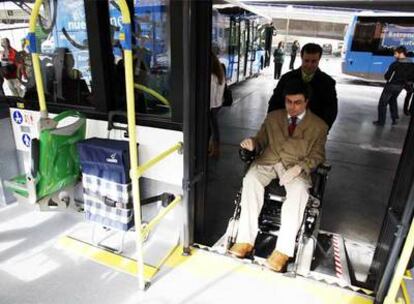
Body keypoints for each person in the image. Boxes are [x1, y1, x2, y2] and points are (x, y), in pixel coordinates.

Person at [228, 79, 328, 272]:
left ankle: (283, 250)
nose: (292, 107)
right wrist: (252, 143)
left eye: (297, 102)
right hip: (269, 161)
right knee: (250, 180)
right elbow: (261, 139)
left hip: (295, 165)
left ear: (306, 101)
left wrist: (300, 168)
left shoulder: (319, 126)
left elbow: (318, 155)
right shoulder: (273, 117)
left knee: (299, 191)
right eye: (288, 102)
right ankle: (245, 240)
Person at [268, 43, 338, 129]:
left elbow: (331, 111)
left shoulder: (328, 83)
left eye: (314, 61)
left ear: (319, 59)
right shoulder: (286, 78)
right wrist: (273, 125)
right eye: (306, 61)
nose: (309, 65)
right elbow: (274, 103)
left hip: (312, 133)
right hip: (284, 129)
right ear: (301, 57)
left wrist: (322, 131)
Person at [373, 46, 414, 126]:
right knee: (392, 100)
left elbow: (387, 76)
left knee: (382, 103)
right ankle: (394, 118)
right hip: (401, 86)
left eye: (396, 54)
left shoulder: (395, 64)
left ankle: (381, 122)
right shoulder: (412, 64)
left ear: (401, 53)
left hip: (391, 85)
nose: (394, 55)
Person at [209, 51, 225, 158]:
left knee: (213, 128)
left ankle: (215, 150)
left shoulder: (211, 76)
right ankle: (213, 148)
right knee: (213, 127)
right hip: (218, 104)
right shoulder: (220, 73)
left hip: (213, 106)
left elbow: (211, 95)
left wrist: (207, 108)